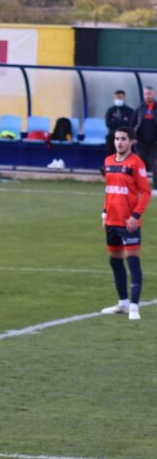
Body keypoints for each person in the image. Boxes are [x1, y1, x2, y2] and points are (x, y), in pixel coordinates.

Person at [101, 127, 151, 321]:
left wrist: (136, 216)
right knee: (115, 261)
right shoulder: (108, 161)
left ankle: (134, 306)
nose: (119, 142)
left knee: (133, 262)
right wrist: (104, 212)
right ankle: (122, 303)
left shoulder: (136, 163)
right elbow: (109, 190)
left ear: (131, 142)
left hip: (129, 222)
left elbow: (145, 192)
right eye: (117, 139)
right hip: (112, 220)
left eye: (123, 139)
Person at [132, 86, 157, 194]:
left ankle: (155, 188)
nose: (148, 95)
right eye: (146, 93)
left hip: (154, 142)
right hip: (140, 141)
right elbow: (133, 123)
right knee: (139, 165)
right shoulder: (139, 108)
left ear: (154, 94)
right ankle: (138, 187)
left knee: (155, 163)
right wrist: (133, 137)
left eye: (149, 93)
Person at [105, 90, 134, 156]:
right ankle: (110, 165)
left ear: (124, 98)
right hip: (112, 134)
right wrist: (122, 121)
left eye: (120, 97)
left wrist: (115, 121)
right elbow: (108, 124)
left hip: (125, 135)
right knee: (110, 150)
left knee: (125, 152)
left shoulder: (129, 110)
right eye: (117, 97)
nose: (118, 99)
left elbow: (129, 123)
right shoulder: (110, 110)